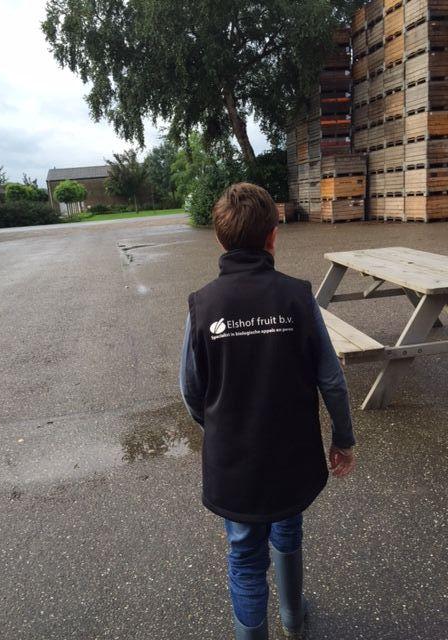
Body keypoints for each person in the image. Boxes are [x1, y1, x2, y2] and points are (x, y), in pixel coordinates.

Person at [179, 183, 356, 640]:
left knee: (244, 556)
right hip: (291, 457)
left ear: (219, 240)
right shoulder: (298, 298)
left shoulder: (202, 305)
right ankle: (293, 618)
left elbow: (191, 390)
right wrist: (343, 439)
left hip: (234, 463)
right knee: (288, 527)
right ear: (273, 236)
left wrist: (220, 428)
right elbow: (332, 380)